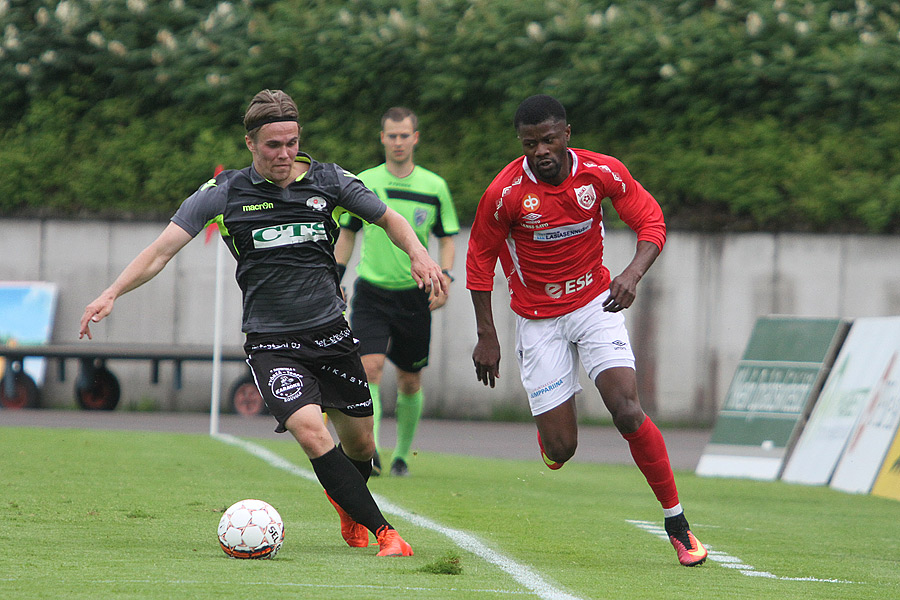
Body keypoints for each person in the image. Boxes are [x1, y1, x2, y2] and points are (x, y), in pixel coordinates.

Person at [78, 89, 447, 557]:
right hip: (272, 342)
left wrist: (419, 254)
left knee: (361, 445)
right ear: (250, 143)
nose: (284, 154)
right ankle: (385, 532)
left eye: (292, 143)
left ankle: (346, 503)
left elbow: (390, 218)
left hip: (332, 334)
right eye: (273, 145)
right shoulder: (225, 192)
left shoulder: (331, 181)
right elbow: (160, 252)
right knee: (312, 432)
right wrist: (111, 292)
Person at [466, 94, 708, 567]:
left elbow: (651, 221)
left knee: (627, 410)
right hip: (538, 319)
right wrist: (487, 335)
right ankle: (551, 438)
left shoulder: (600, 172)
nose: (541, 151)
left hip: (595, 304)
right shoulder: (505, 192)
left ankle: (677, 524)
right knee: (562, 450)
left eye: (548, 140)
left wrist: (632, 274)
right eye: (530, 144)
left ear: (566, 134)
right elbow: (479, 260)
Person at [334, 107, 459, 477]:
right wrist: (334, 276)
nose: (398, 142)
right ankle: (370, 452)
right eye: (392, 135)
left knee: (409, 380)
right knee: (369, 368)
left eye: (405, 135)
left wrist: (446, 277)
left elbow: (446, 238)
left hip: (414, 295)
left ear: (415, 138)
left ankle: (402, 456)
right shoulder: (365, 182)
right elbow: (347, 232)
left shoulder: (434, 186)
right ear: (382, 138)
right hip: (371, 292)